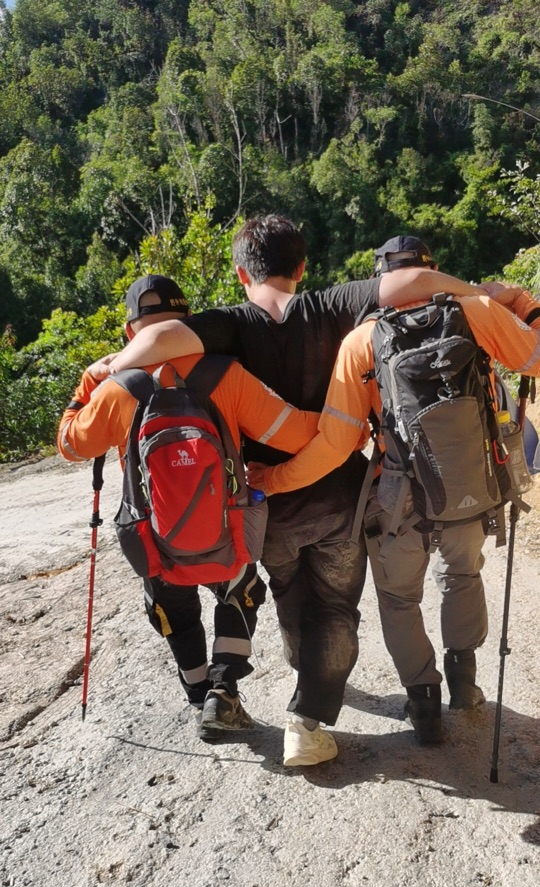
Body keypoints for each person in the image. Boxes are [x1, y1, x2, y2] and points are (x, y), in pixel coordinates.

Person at [84, 216, 493, 766]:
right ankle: (309, 717)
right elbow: (419, 282)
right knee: (337, 609)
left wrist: (111, 368)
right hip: (338, 498)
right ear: (302, 267)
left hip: (265, 504)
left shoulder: (225, 325)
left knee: (290, 597)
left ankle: (307, 674)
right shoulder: (334, 304)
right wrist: (480, 293)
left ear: (238, 272)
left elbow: (158, 339)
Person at [247, 236, 540, 745]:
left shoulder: (362, 342)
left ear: (381, 283)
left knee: (399, 598)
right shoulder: (475, 312)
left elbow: (336, 445)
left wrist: (274, 479)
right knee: (463, 573)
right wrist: (526, 305)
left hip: (397, 496)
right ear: (433, 270)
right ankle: (465, 684)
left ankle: (423, 703)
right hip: (468, 485)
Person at [57, 274, 320, 740]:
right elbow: (298, 434)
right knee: (239, 591)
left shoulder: (116, 390)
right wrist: (345, 418)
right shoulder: (225, 374)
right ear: (188, 322)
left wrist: (88, 383)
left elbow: (70, 445)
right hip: (226, 528)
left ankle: (199, 695)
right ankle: (223, 694)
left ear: (129, 331)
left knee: (171, 606)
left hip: (153, 537)